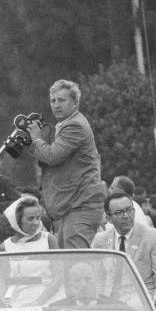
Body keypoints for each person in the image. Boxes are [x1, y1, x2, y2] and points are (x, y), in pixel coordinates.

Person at [25, 79, 104, 248]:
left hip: (81, 205)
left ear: (75, 103)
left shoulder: (74, 125)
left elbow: (52, 156)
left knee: (76, 264)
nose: (56, 105)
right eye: (53, 101)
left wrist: (35, 138)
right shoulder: (65, 124)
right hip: (73, 206)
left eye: (62, 100)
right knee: (67, 262)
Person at [91, 192, 156, 307]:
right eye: (119, 213)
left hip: (141, 302)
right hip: (106, 302)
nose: (126, 216)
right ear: (108, 218)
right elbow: (96, 274)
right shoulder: (100, 240)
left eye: (129, 210)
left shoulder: (153, 236)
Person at [0, 196, 58, 306]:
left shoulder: (49, 240)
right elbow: (3, 279)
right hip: (17, 299)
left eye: (37, 218)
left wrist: (38, 302)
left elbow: (59, 276)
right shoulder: (5, 247)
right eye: (30, 219)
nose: (35, 223)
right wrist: (2, 301)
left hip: (49, 298)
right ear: (17, 221)